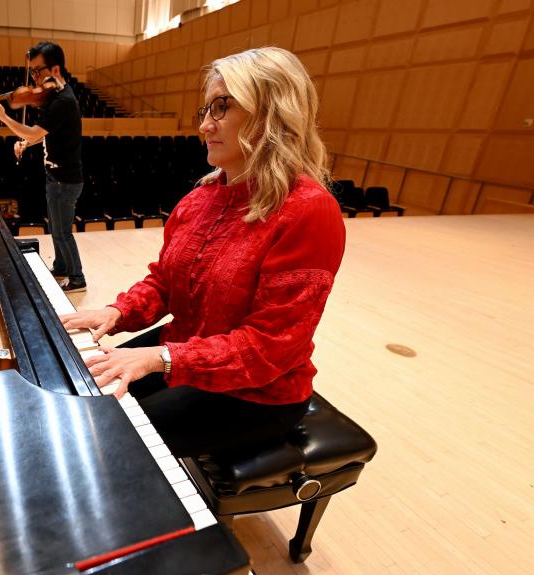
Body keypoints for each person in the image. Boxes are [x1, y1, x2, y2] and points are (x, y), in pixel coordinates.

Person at [60, 47, 345, 460]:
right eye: (205, 110)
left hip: (257, 394)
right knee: (80, 393)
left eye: (222, 107)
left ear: (271, 112)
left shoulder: (308, 211)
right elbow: (164, 282)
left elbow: (269, 348)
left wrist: (161, 357)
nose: (205, 125)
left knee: (107, 442)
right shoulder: (201, 198)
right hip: (185, 351)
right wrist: (117, 313)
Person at [0, 41, 86, 292]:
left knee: (62, 232)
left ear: (56, 69)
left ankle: (77, 278)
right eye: (33, 72)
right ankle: (61, 267)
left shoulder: (63, 102)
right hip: (55, 176)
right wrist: (27, 143)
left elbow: (36, 133)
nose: (35, 78)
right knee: (57, 229)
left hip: (65, 180)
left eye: (39, 71)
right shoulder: (54, 97)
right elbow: (45, 135)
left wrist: (4, 116)